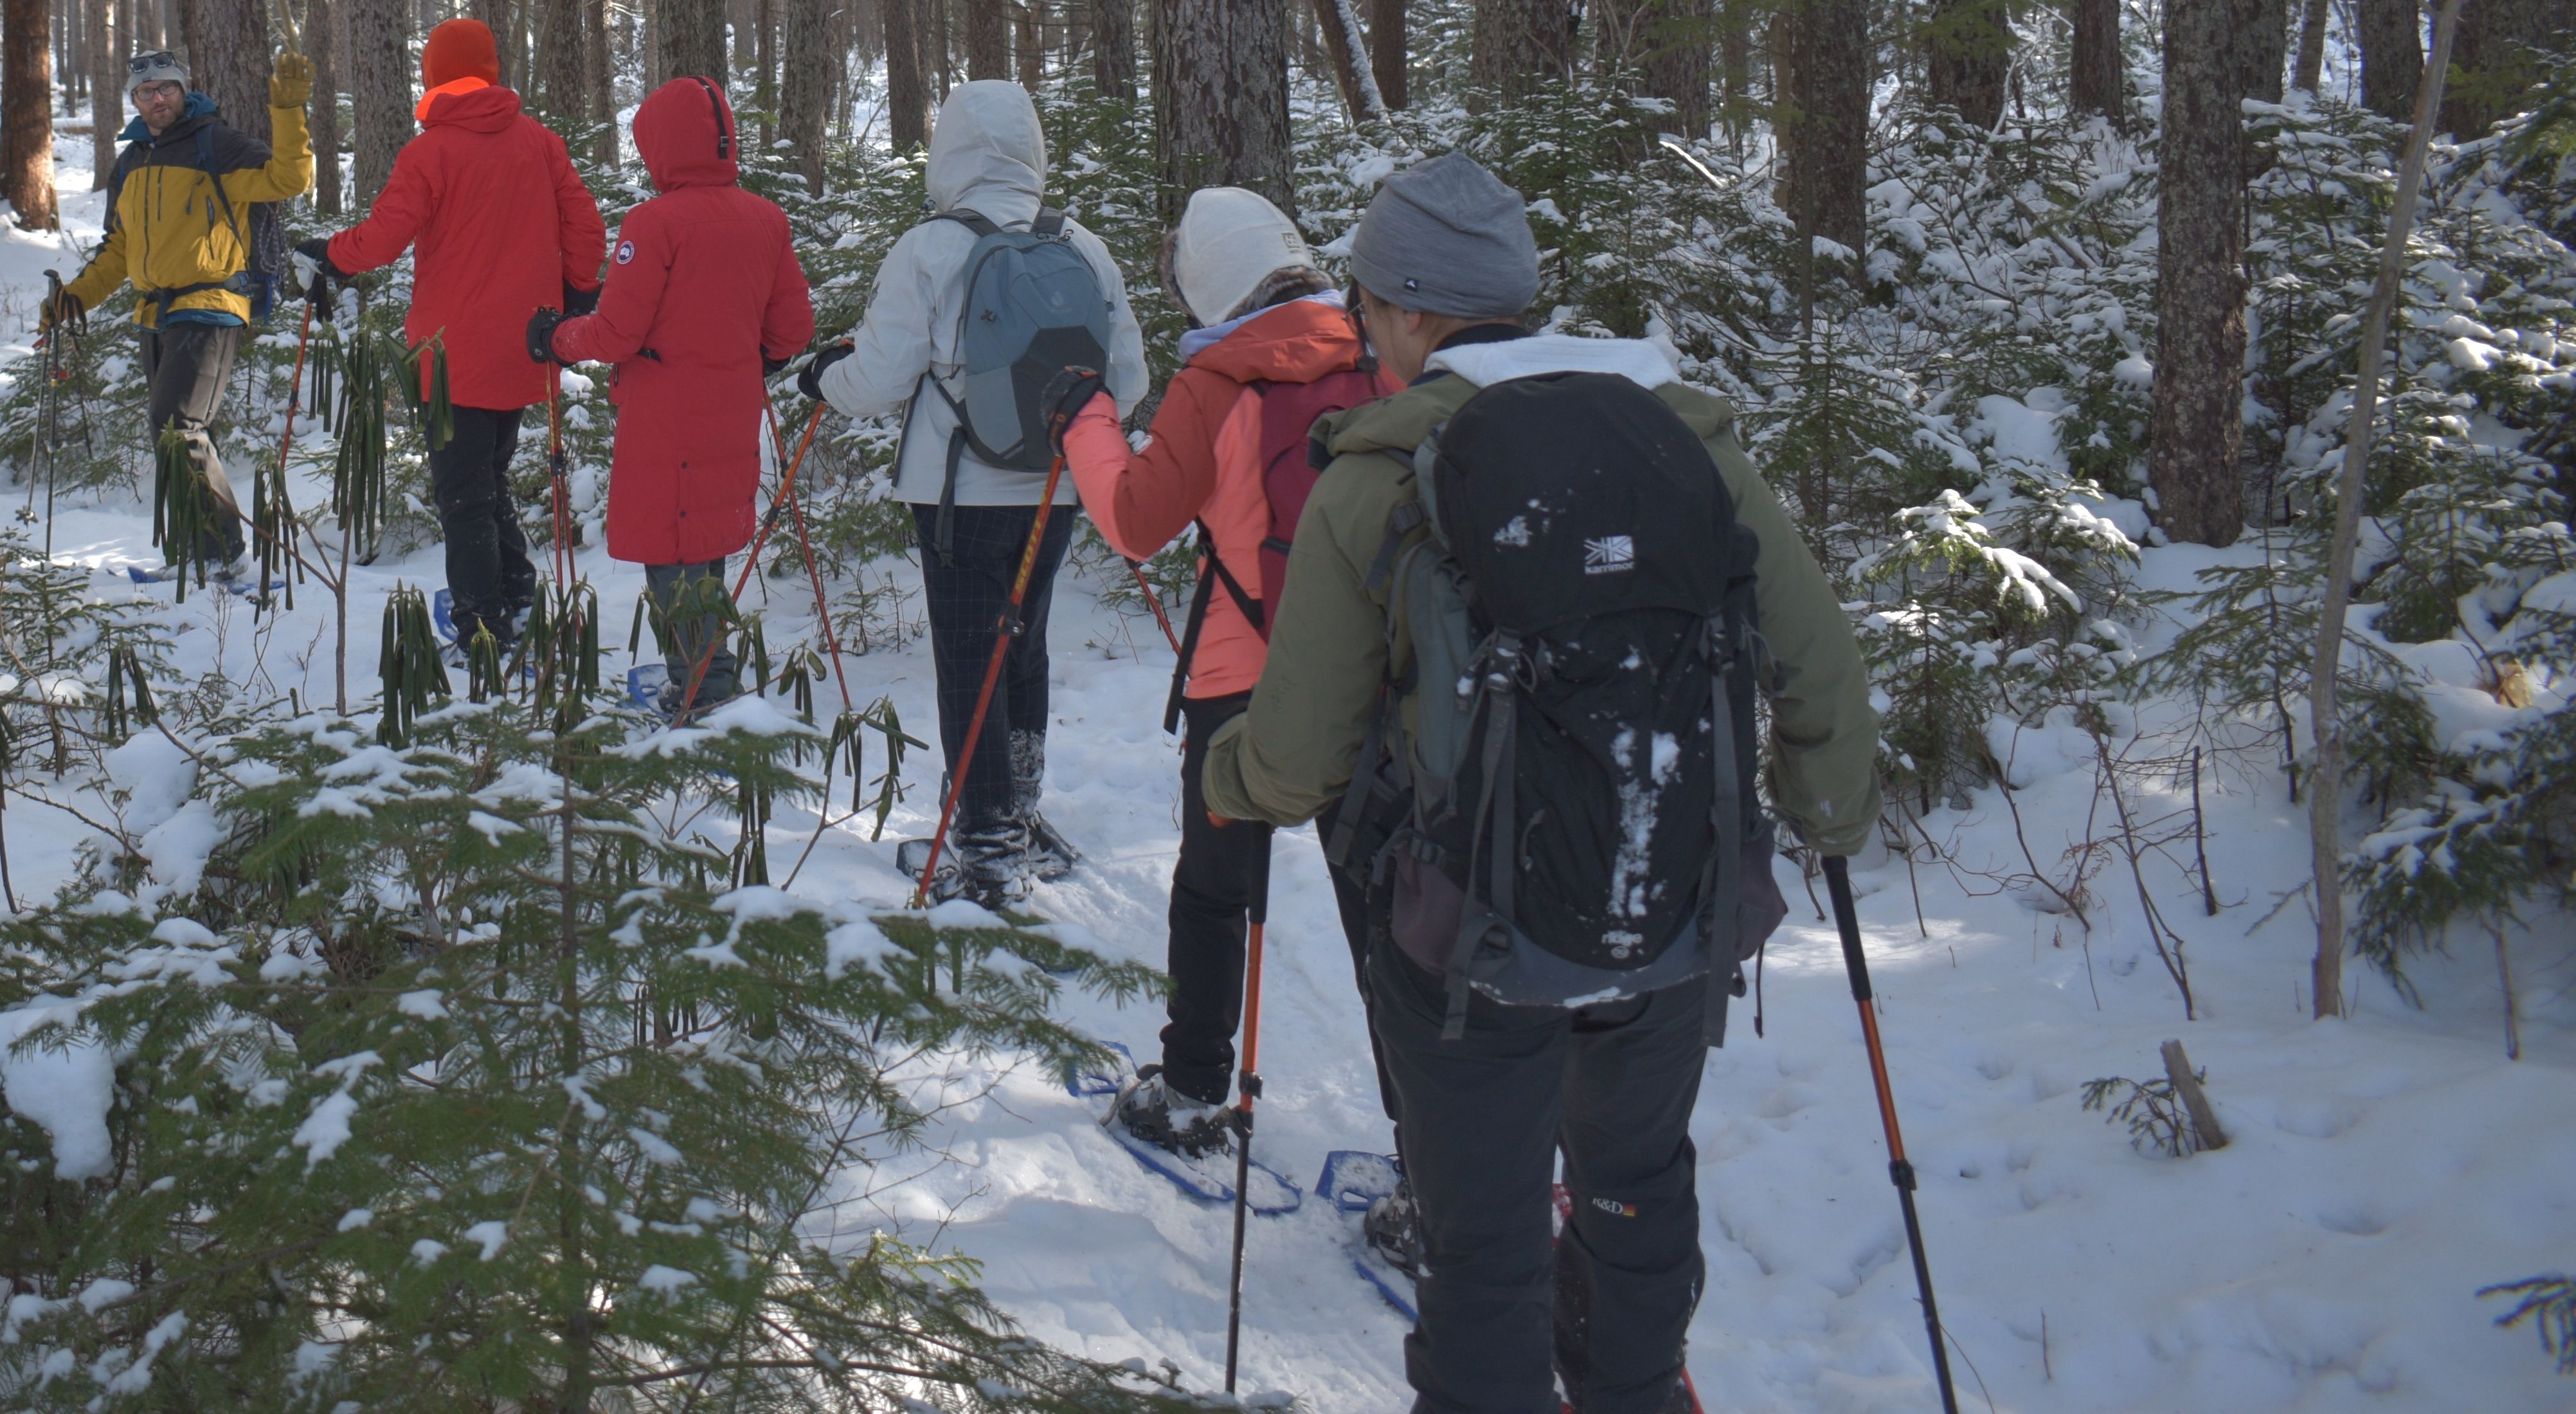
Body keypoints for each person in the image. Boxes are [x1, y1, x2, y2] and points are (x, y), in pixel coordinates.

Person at [1202, 153, 1879, 1414]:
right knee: (1633, 1186)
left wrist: (1229, 775)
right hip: (1674, 906)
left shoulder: (1377, 476)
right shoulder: (1682, 435)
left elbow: (1293, 756)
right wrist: (1829, 810)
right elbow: (1816, 657)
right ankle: (1634, 1386)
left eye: (1368, 300)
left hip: (1470, 938)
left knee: (1486, 1244)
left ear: (1407, 308)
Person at [1050, 187, 1391, 1173]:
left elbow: (1134, 520)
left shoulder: (1217, 383)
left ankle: (1196, 1086)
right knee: (1384, 914)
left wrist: (1089, 418)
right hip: (1372, 676)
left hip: (1244, 677)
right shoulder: (1378, 359)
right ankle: (1443, 1158)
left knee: (1212, 889)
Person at [798, 79, 1146, 908]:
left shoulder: (930, 247)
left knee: (968, 660)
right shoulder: (1084, 246)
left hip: (956, 492)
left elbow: (880, 378)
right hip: (1057, 487)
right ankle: (1017, 815)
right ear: (1032, 147)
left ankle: (986, 846)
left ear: (948, 149)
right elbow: (1127, 381)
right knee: (1024, 647)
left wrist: (822, 379)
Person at [300, 16, 606, 664]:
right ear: (491, 69)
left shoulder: (430, 153)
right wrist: (577, 294)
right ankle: (516, 592)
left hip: (451, 357)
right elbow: (585, 223)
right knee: (487, 477)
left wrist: (332, 254)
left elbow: (382, 238)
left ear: (434, 75)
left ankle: (482, 628)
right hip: (527, 347)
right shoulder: (541, 143)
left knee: (463, 493)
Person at [530, 76, 815, 716]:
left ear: (661, 145)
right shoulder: (766, 218)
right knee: (704, 538)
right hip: (732, 409)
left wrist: (555, 338)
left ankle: (704, 691)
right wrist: (742, 361)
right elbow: (793, 329)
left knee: (672, 550)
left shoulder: (654, 223)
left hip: (665, 418)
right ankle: (706, 677)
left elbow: (616, 330)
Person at [47, 47, 315, 581]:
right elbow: (118, 250)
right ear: (135, 99)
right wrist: (70, 301)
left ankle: (225, 557)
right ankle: (199, 552)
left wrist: (288, 111)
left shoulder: (216, 144)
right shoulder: (131, 162)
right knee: (172, 434)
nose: (156, 98)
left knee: (179, 426)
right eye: (145, 92)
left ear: (183, 90)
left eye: (166, 88)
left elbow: (289, 180)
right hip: (156, 315)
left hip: (211, 305)